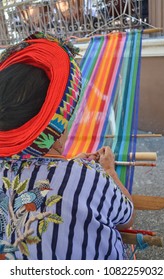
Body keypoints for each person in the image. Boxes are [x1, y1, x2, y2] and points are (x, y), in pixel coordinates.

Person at [0, 32, 134, 260]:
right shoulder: (89, 176)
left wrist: (72, 166)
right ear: (57, 124)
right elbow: (128, 218)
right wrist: (109, 171)